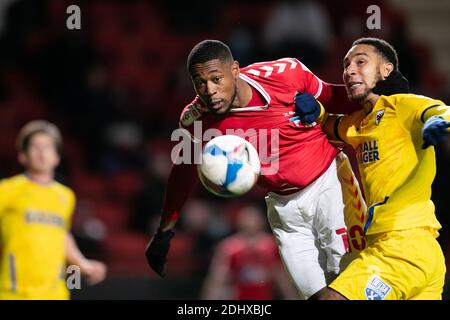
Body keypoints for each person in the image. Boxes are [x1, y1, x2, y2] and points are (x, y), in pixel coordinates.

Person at [145, 40, 366, 299]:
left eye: (217, 79)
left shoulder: (285, 74)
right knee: (319, 297)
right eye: (200, 83)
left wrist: (385, 93)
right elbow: (184, 169)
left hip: (330, 187)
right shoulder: (197, 119)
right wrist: (164, 232)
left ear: (235, 70)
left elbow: (337, 97)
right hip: (284, 212)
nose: (210, 91)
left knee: (349, 287)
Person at [294, 37, 449, 300]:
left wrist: (438, 123)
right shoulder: (358, 124)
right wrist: (316, 110)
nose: (349, 70)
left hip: (401, 245)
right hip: (415, 252)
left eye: (360, 61)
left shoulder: (403, 105)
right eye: (346, 65)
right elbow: (330, 124)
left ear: (385, 70)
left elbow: (442, 112)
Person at [0, 120, 107, 300]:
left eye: (47, 147)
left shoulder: (65, 196)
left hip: (55, 293)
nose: (41, 152)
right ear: (22, 156)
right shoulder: (7, 189)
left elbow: (62, 235)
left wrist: (83, 264)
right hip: (14, 292)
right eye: (35, 146)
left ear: (56, 157)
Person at [200, 205, 297, 300]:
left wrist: (291, 296)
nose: (249, 222)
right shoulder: (230, 247)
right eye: (246, 218)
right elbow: (217, 278)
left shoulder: (270, 245)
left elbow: (281, 276)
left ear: (261, 221)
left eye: (253, 218)